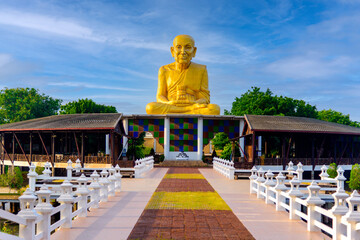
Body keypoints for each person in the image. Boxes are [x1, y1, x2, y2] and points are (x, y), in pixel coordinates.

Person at [146, 35, 220, 115]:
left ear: (194, 51)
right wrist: (169, 103)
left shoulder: (201, 69)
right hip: (173, 105)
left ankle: (185, 110)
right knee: (150, 107)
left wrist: (193, 103)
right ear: (172, 50)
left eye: (188, 47)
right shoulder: (164, 70)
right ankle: (188, 110)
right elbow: (160, 96)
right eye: (179, 47)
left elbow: (205, 98)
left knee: (214, 109)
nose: (183, 51)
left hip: (192, 105)